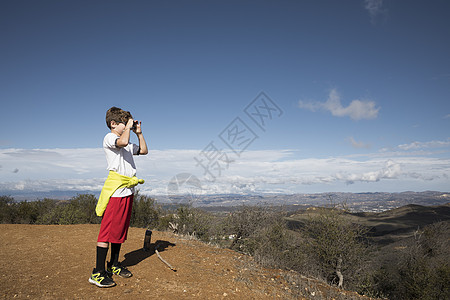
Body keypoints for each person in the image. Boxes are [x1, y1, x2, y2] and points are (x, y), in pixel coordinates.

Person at [89, 107, 148, 288]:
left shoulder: (128, 142)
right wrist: (128, 130)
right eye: (124, 123)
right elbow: (121, 142)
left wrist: (138, 133)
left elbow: (144, 151)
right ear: (113, 124)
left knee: (119, 231)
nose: (127, 126)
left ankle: (113, 265)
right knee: (106, 233)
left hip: (127, 191)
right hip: (115, 192)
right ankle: (98, 272)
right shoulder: (109, 137)